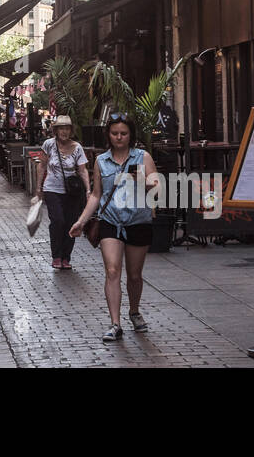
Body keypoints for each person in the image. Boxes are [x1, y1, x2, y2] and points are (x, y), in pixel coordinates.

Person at [70, 112, 160, 341]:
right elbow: (97, 195)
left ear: (131, 135)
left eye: (124, 133)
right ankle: (115, 323)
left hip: (138, 221)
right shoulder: (101, 161)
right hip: (110, 221)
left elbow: (158, 188)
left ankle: (134, 311)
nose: (119, 137)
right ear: (108, 135)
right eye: (115, 133)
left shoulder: (143, 157)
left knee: (135, 275)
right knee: (112, 271)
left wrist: (143, 181)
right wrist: (81, 221)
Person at [36, 115, 90, 270]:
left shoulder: (77, 147)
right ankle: (56, 256)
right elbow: (41, 166)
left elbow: (83, 170)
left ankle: (66, 257)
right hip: (52, 189)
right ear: (56, 130)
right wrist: (38, 188)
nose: (64, 131)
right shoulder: (49, 145)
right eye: (61, 128)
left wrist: (88, 190)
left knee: (71, 223)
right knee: (58, 220)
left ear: (71, 130)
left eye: (67, 128)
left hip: (72, 192)